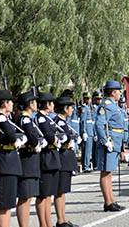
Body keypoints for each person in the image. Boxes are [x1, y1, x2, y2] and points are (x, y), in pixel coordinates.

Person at [0, 90, 26, 227]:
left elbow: (20, 133)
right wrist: (18, 139)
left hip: (11, 162)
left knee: (8, 204)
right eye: (10, 101)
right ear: (5, 103)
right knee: (4, 204)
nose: (12, 104)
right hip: (5, 162)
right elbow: (12, 135)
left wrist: (20, 138)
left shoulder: (6, 118)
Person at [15, 90, 46, 227]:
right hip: (26, 160)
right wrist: (38, 143)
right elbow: (32, 137)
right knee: (25, 197)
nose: (36, 104)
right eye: (33, 101)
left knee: (28, 197)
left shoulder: (29, 119)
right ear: (28, 104)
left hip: (32, 159)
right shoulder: (25, 119)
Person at [95, 80, 126, 211]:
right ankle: (108, 202)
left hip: (116, 141)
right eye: (119, 91)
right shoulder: (107, 105)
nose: (120, 93)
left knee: (109, 172)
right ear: (113, 92)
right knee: (105, 172)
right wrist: (104, 140)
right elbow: (99, 124)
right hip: (110, 141)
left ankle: (111, 200)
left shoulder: (114, 105)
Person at [36, 92, 62, 227]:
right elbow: (48, 135)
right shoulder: (40, 118)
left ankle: (48, 223)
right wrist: (56, 140)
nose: (53, 106)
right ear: (47, 105)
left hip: (52, 155)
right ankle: (43, 223)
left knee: (49, 195)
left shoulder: (47, 118)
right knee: (43, 195)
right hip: (46, 156)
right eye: (51, 103)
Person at [54, 96, 79, 227]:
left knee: (63, 191)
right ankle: (60, 219)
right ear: (65, 108)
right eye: (70, 107)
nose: (72, 110)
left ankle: (63, 218)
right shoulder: (58, 121)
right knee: (60, 190)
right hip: (62, 157)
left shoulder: (63, 121)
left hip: (67, 157)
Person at [79, 91, 95, 172]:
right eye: (87, 99)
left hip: (90, 131)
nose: (89, 100)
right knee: (87, 150)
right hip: (87, 132)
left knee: (89, 150)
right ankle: (86, 166)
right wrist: (83, 131)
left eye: (89, 99)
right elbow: (83, 121)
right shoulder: (84, 108)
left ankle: (87, 164)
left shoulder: (89, 108)